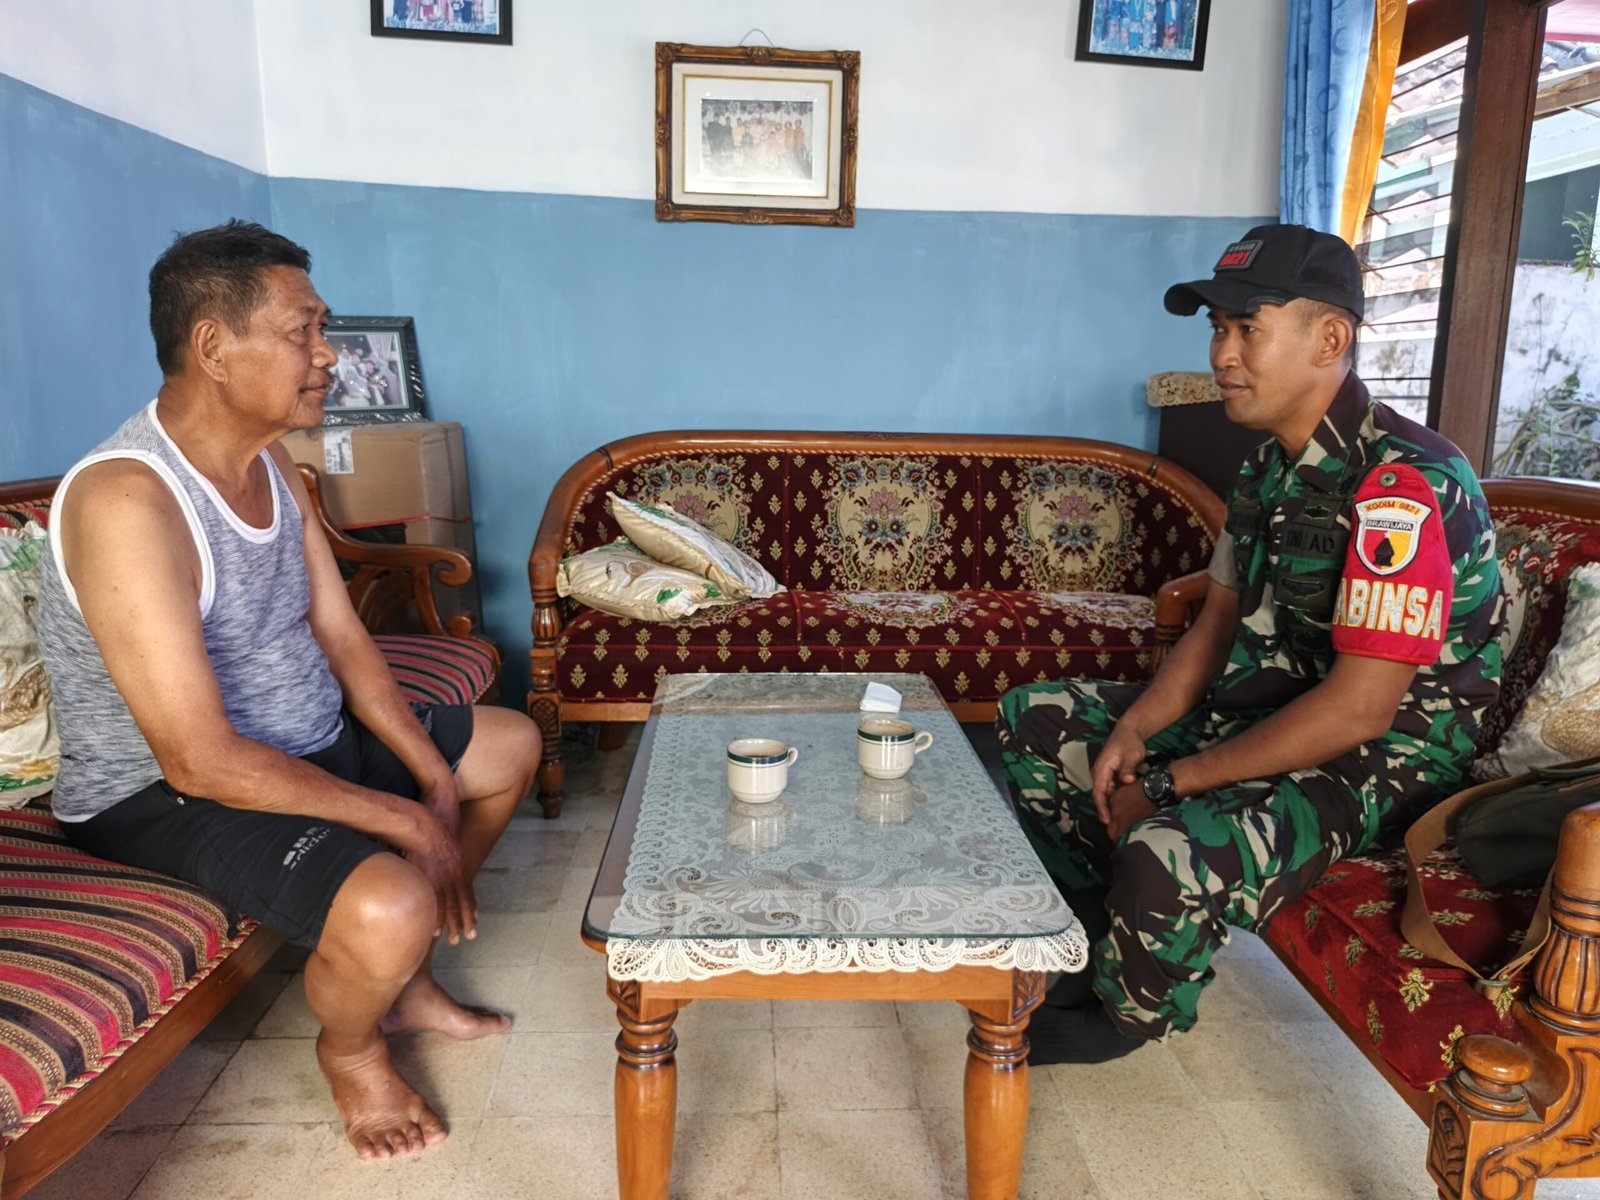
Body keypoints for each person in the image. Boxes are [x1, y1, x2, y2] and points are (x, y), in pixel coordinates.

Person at [35, 220, 542, 1157]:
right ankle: (351, 1049)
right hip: (164, 794)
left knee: (508, 745)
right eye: (302, 331)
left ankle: (405, 985)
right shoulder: (129, 500)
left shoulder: (269, 460)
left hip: (303, 742)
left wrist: (431, 774)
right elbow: (198, 759)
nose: (328, 355)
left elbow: (342, 634)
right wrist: (404, 818)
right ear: (212, 347)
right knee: (392, 899)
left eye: (323, 329)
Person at [996, 223, 1503, 1064]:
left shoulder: (1402, 485)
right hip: (1274, 709)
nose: (1221, 356)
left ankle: (1129, 1015)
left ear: (1329, 340)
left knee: (1168, 843)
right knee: (1038, 718)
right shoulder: (1267, 469)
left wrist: (1169, 780)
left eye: (1246, 330)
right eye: (1217, 330)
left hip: (1386, 758)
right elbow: (1217, 624)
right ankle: (1096, 931)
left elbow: (1360, 710)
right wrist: (1137, 730)